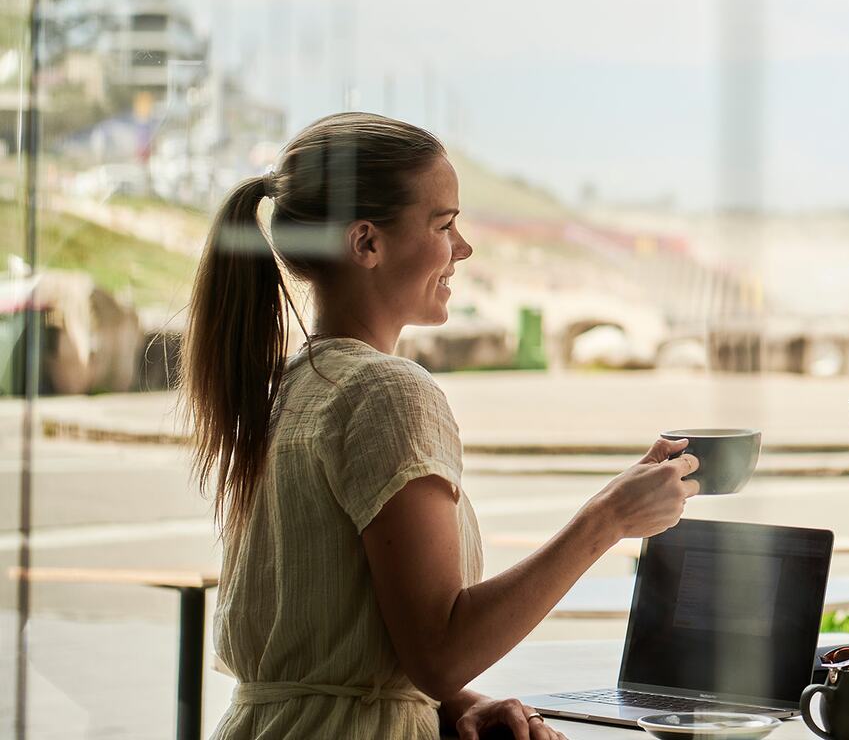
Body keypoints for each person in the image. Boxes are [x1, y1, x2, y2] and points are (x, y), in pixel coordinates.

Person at [184, 113, 700, 740]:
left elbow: (350, 640)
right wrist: (607, 520)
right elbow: (439, 653)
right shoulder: (387, 392)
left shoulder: (292, 388)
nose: (463, 247)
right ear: (367, 243)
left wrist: (453, 704)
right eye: (444, 223)